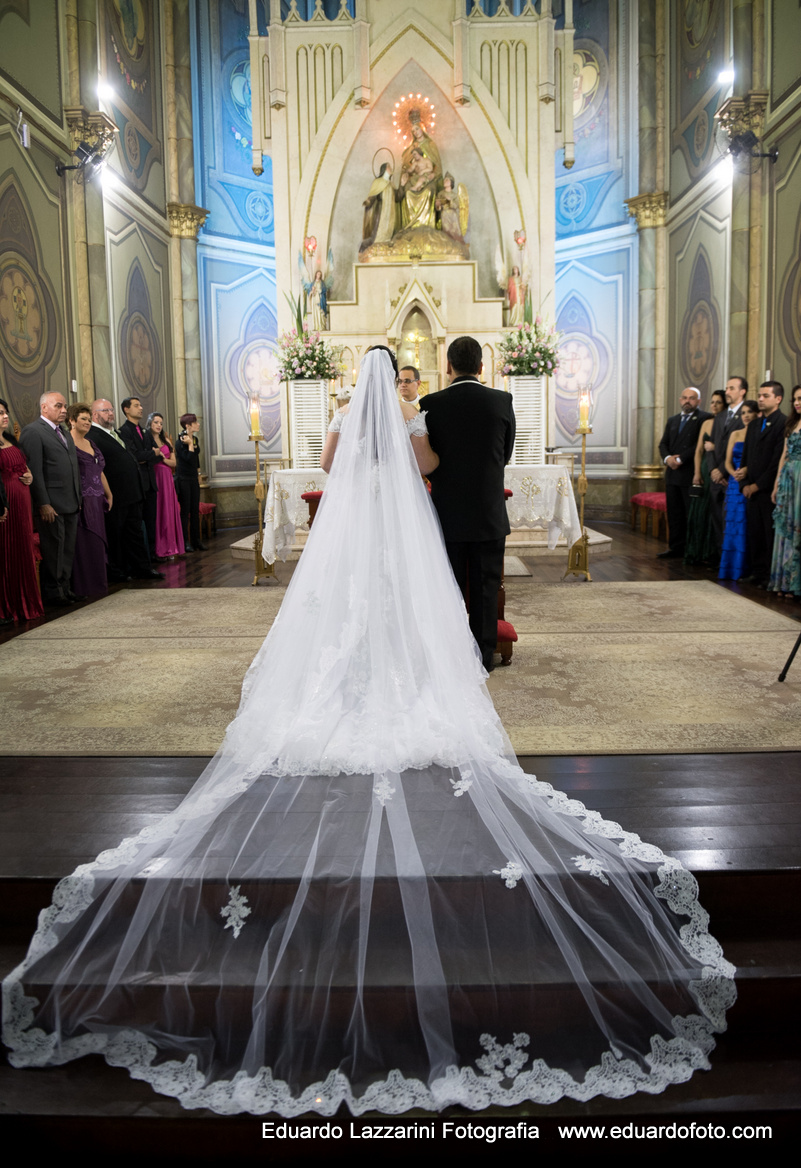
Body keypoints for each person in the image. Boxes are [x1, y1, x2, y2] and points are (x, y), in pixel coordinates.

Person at [3, 350, 735, 1116]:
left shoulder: (349, 416)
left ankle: (343, 687)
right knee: (406, 609)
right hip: (402, 526)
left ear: (358, 380)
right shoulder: (412, 421)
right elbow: (424, 468)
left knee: (343, 615)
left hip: (350, 533)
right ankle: (406, 683)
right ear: (403, 383)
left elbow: (324, 465)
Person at [420, 336, 515, 671]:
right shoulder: (502, 401)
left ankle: (451, 657)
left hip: (446, 516)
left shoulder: (430, 403)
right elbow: (504, 456)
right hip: (488, 514)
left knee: (449, 588)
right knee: (487, 589)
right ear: (481, 366)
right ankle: (483, 659)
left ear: (448, 366)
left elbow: (427, 459)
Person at [18, 391, 82, 606]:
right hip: (52, 503)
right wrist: (43, 503)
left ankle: (65, 589)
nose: (64, 410)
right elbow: (34, 470)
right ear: (44, 407)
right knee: (54, 549)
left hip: (71, 500)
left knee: (67, 548)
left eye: (64, 406)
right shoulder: (33, 432)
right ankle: (54, 593)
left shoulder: (63, 431)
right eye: (58, 406)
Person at [89, 399, 163, 582]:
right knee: (116, 533)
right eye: (105, 410)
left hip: (132, 492)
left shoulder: (115, 433)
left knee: (134, 532)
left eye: (111, 410)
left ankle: (142, 568)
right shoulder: (93, 435)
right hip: (116, 493)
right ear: (95, 415)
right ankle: (117, 571)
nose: (111, 413)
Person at [737, 380, 786, 588]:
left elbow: (776, 461)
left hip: (767, 490)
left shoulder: (783, 423)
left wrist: (758, 485)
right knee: (754, 532)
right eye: (760, 395)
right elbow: (747, 456)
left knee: (768, 534)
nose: (761, 399)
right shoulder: (755, 424)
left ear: (778, 399)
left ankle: (768, 575)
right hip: (750, 489)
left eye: (765, 396)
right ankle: (756, 572)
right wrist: (745, 484)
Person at [0, 397, 43, 623]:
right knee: (7, 552)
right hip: (5, 505)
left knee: (23, 549)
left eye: (5, 412)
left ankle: (26, 602)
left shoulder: (10, 440)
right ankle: (8, 605)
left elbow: (25, 467)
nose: (5, 416)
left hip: (23, 503)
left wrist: (30, 476)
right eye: (0, 413)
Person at [657, 387, 710, 560]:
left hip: (690, 473)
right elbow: (663, 444)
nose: (688, 401)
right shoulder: (673, 420)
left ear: (699, 401)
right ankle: (675, 548)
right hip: (672, 474)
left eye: (692, 398)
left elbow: (699, 444)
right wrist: (667, 459)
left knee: (690, 514)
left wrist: (681, 460)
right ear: (680, 400)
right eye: (685, 398)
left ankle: (691, 550)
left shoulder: (705, 418)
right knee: (675, 514)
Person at [67, 403, 112, 598]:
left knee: (97, 543)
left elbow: (99, 471)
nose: (87, 422)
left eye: (88, 419)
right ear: (72, 420)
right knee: (84, 544)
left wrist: (109, 494)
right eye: (83, 419)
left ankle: (99, 586)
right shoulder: (67, 443)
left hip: (97, 500)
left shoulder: (91, 443)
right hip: (81, 500)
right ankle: (84, 588)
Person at [718, 399, 759, 581]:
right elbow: (727, 461)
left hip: (749, 481)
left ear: (757, 414)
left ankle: (745, 569)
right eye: (743, 413)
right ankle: (730, 570)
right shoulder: (735, 434)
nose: (746, 416)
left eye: (750, 412)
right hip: (734, 484)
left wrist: (747, 471)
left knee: (746, 525)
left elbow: (759, 459)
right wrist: (734, 473)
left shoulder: (758, 433)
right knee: (733, 525)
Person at [684, 389, 726, 565]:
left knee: (714, 512)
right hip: (703, 469)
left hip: (718, 468)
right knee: (700, 511)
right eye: (712, 402)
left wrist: (715, 446)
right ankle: (697, 551)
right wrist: (696, 473)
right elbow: (698, 451)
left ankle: (712, 553)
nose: (714, 405)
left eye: (718, 402)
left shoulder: (728, 422)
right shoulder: (706, 423)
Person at [769, 384, 801, 598]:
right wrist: (776, 483)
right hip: (788, 479)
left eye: (800, 399)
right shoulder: (792, 423)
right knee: (785, 528)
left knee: (797, 526)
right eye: (795, 399)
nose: (797, 402)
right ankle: (785, 582)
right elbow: (783, 455)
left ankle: (796, 582)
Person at [709, 376, 748, 553]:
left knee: (731, 519)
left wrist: (723, 471)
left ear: (742, 392)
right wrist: (713, 470)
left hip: (732, 476)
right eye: (726, 388)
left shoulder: (747, 415)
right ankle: (719, 556)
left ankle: (731, 557)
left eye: (731, 388)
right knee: (717, 519)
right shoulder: (720, 416)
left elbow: (741, 450)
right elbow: (712, 445)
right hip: (716, 477)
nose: (727, 392)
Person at [118, 397, 160, 561]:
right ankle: (142, 557)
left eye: (141, 405)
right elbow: (134, 456)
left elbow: (157, 456)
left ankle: (152, 553)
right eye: (136, 405)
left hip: (150, 483)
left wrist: (150, 455)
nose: (141, 408)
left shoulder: (145, 432)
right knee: (138, 523)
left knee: (151, 521)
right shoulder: (124, 431)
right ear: (126, 409)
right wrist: (152, 454)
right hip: (137, 484)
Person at [145, 412, 185, 560]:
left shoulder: (166, 441)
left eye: (161, 423)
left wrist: (162, 457)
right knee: (158, 511)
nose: (159, 425)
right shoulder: (146, 440)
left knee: (168, 510)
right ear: (150, 423)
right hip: (154, 476)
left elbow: (174, 463)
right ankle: (159, 548)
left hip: (166, 477)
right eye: (156, 422)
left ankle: (171, 546)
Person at [175, 412, 206, 552]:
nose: (198, 424)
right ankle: (185, 542)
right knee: (186, 510)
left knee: (195, 510)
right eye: (195, 422)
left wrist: (199, 473)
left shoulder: (195, 439)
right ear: (188, 425)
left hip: (193, 477)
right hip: (183, 479)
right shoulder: (181, 440)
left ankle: (196, 540)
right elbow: (188, 458)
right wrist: (190, 445)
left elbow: (196, 459)